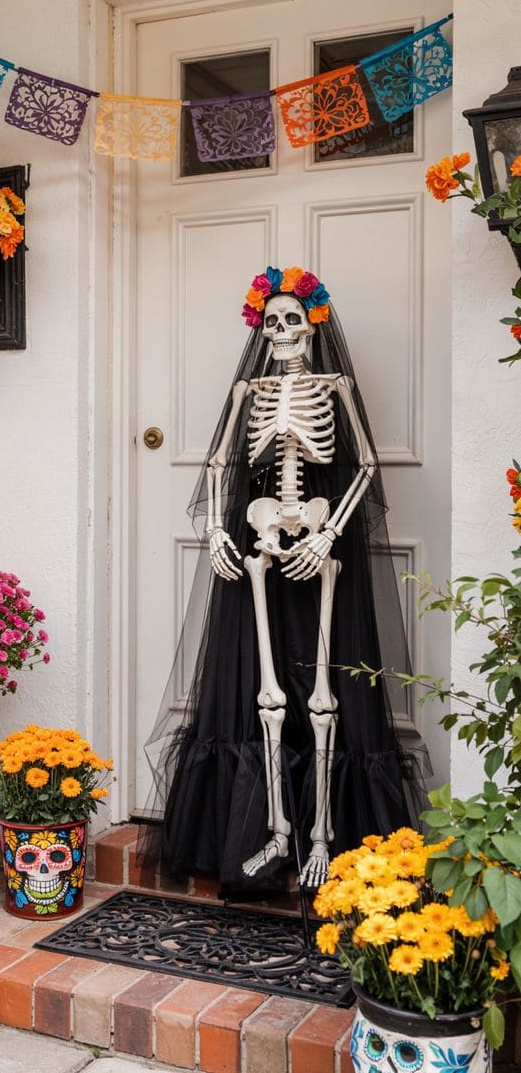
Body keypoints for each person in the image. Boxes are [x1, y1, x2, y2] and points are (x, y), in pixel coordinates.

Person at [142, 264, 426, 894]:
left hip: (321, 535)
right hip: (260, 534)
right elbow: (220, 462)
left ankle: (323, 837)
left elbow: (366, 464)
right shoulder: (249, 391)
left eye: (291, 321)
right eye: (270, 323)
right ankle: (274, 832)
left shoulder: (334, 385)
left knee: (324, 694)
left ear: (311, 326)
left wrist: (329, 533)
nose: (280, 332)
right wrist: (214, 530)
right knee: (267, 695)